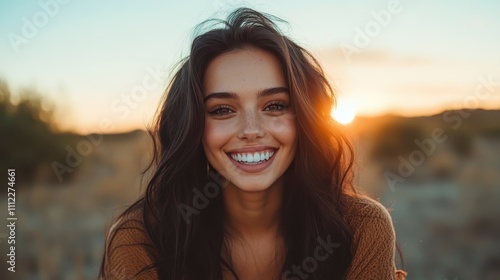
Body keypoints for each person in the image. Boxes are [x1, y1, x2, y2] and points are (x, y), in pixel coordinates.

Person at [99, 7, 407, 280]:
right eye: (222, 110)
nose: (251, 130)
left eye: (274, 106)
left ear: (305, 119)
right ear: (191, 127)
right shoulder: (141, 240)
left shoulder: (362, 227)